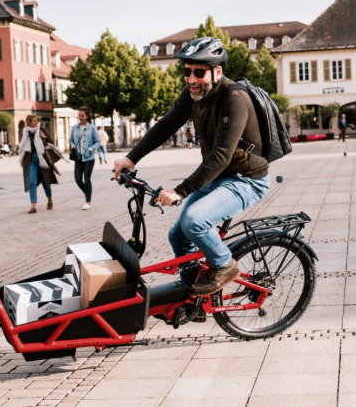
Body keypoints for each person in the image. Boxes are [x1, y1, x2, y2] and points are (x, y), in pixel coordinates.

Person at [113, 37, 270, 297]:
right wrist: (132, 158)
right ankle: (191, 296)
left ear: (217, 71)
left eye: (199, 72)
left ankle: (225, 265)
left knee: (194, 221)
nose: (191, 79)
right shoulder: (193, 95)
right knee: (178, 235)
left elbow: (221, 155)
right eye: (187, 72)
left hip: (246, 179)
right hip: (219, 177)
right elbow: (166, 125)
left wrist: (181, 190)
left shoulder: (235, 99)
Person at [18, 115, 57, 213]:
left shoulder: (41, 129)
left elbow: (51, 142)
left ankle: (49, 199)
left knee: (45, 181)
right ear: (29, 123)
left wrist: (45, 137)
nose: (37, 122)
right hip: (30, 160)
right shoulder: (25, 132)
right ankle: (33, 206)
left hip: (42, 159)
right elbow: (22, 145)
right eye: (34, 121)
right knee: (32, 182)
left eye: (37, 121)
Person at [71, 107, 101, 210]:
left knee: (87, 179)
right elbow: (71, 140)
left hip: (89, 157)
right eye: (79, 115)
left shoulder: (92, 128)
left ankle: (88, 202)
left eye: (82, 116)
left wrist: (91, 149)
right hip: (78, 157)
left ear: (87, 116)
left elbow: (97, 142)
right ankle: (87, 192)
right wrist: (72, 145)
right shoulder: (74, 127)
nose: (80, 118)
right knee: (78, 179)